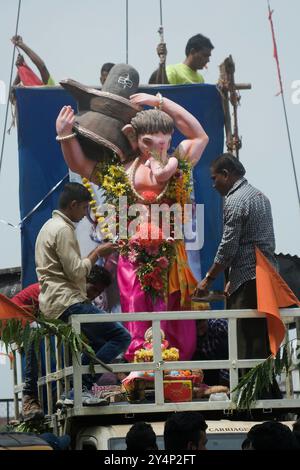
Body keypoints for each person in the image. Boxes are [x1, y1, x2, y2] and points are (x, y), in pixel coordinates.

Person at [56, 80, 209, 361]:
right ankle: (142, 365)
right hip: (133, 257)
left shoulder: (179, 161)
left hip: (171, 257)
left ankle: (178, 368)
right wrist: (65, 135)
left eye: (164, 142)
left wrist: (159, 102)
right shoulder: (124, 171)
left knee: (177, 319)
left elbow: (200, 137)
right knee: (138, 314)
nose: (157, 149)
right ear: (133, 138)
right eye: (149, 143)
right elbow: (81, 165)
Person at [35, 183, 131, 402]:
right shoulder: (62, 229)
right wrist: (98, 252)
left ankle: (83, 389)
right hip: (68, 301)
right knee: (121, 336)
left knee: (98, 346)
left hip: (55, 302)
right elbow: (77, 272)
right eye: (85, 208)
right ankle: (80, 389)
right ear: (73, 205)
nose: (86, 213)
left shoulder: (48, 227)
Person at [194, 153, 278, 362]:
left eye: (214, 178)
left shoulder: (235, 201)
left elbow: (228, 247)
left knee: (244, 342)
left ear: (226, 174)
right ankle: (266, 391)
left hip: (248, 282)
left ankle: (249, 393)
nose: (213, 185)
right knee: (261, 339)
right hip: (265, 276)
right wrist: (233, 276)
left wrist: (209, 279)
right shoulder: (260, 196)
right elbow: (254, 243)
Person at [12, 264, 113, 420]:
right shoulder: (63, 291)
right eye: (92, 289)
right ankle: (29, 397)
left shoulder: (78, 299)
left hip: (39, 320)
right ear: (82, 280)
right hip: (18, 318)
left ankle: (76, 387)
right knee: (35, 333)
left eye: (98, 293)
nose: (93, 296)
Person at [149, 34, 214, 85]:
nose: (208, 60)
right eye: (205, 55)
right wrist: (162, 63)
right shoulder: (173, 71)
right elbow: (165, 92)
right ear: (193, 52)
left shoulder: (200, 79)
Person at [193, 319, 229, 387]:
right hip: (207, 373)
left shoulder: (217, 326)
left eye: (200, 321)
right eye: (195, 323)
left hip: (226, 367)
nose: (198, 325)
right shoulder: (189, 335)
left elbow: (233, 350)